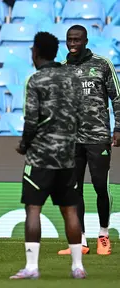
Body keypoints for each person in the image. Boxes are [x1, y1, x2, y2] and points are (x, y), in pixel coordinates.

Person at [10, 32, 86, 279]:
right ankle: (78, 267)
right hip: (67, 156)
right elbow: (79, 113)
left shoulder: (36, 80)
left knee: (33, 210)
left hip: (40, 157)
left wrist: (24, 144)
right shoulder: (73, 78)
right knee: (70, 211)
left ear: (36, 53)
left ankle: (32, 267)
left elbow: (32, 119)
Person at [58, 25, 120, 256]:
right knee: (74, 191)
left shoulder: (102, 64)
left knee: (100, 187)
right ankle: (80, 242)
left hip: (98, 137)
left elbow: (118, 97)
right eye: (69, 40)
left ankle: (103, 235)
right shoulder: (61, 69)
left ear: (85, 40)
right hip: (71, 140)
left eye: (77, 40)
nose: (73, 44)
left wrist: (119, 128)